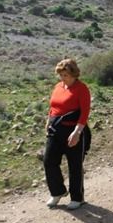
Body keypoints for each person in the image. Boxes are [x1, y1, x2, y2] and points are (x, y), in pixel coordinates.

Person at [44, 58, 91, 210]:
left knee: (74, 165)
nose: (63, 78)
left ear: (74, 74)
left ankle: (77, 197)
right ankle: (58, 192)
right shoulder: (58, 86)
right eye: (61, 75)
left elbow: (84, 113)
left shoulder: (81, 88)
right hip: (55, 129)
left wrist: (77, 133)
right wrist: (48, 121)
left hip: (74, 130)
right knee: (49, 160)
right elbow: (53, 106)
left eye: (66, 75)